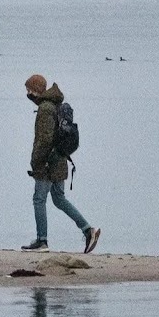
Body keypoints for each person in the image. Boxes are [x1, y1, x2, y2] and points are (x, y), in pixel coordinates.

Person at [23, 73, 101, 254]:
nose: (27, 93)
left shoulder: (45, 108)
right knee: (58, 199)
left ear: (35, 90)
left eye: (28, 89)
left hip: (48, 163)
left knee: (39, 199)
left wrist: (36, 162)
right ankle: (88, 230)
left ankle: (42, 241)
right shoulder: (56, 105)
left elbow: (44, 139)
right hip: (60, 159)